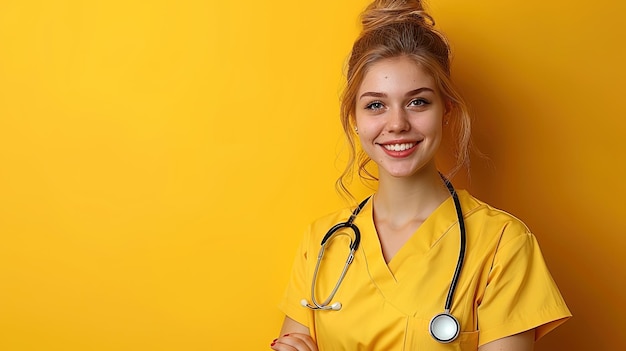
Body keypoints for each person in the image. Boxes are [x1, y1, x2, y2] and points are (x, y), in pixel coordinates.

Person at [271, 0, 571, 350]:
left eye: (418, 102)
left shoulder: (503, 244)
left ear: (446, 110)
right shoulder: (322, 242)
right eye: (375, 105)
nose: (397, 124)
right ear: (355, 118)